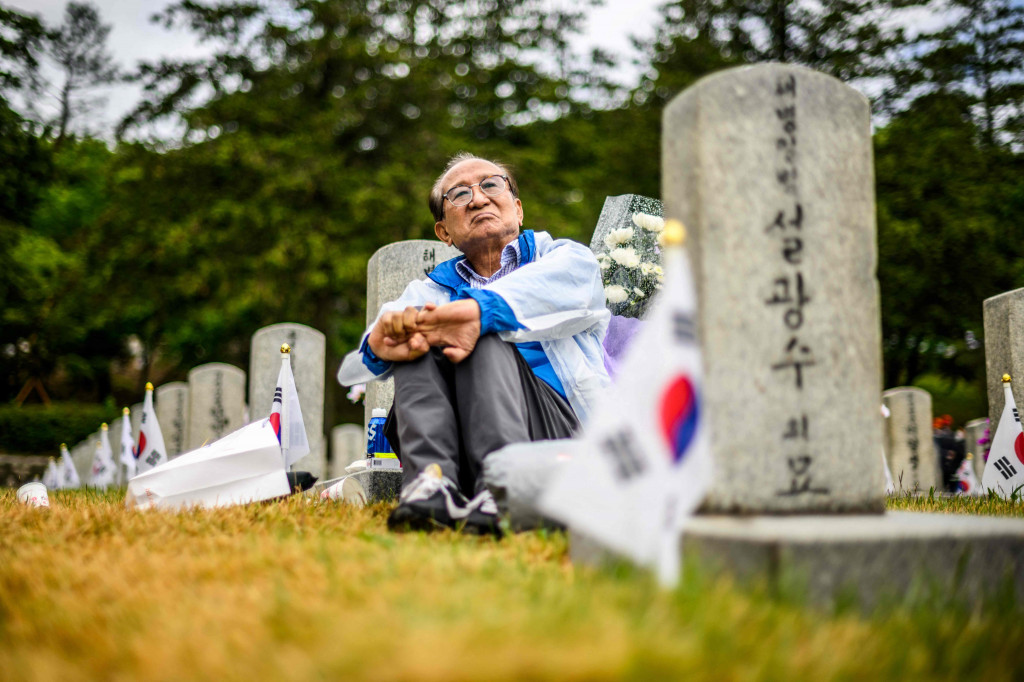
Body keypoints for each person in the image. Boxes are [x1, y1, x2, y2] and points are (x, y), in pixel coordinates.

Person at [337, 152, 610, 535]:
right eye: (459, 195)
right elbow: (359, 363)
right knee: (419, 332)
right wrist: (383, 342)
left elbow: (563, 294)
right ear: (444, 232)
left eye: (491, 184)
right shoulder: (427, 290)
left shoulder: (566, 258)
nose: (478, 199)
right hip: (461, 443)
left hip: (554, 440)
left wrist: (476, 312)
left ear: (517, 209)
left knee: (477, 326)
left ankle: (502, 490)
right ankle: (431, 486)